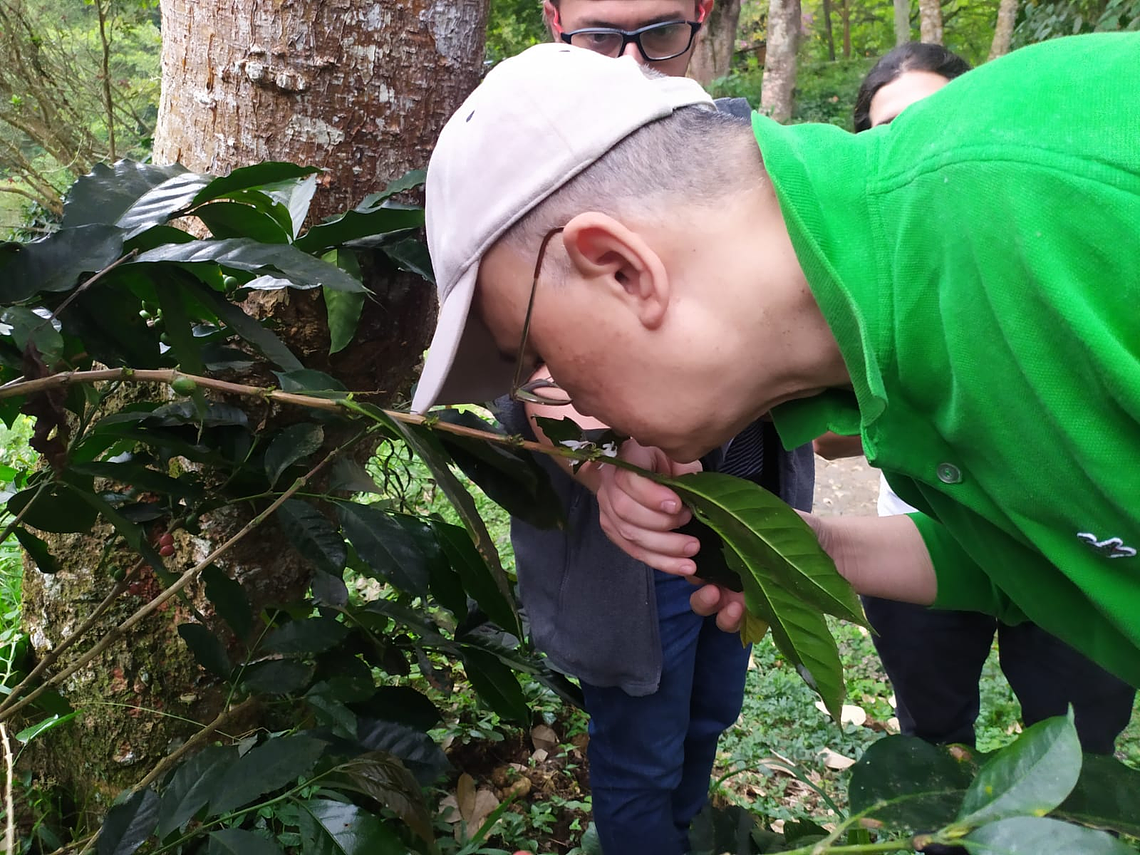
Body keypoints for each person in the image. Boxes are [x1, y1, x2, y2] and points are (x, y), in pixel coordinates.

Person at [410, 33, 1140, 690]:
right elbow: (1059, 555)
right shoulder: (878, 342)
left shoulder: (1069, 192)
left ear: (623, 270)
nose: (560, 392)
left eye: (537, 352)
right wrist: (805, 549)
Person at [494, 4, 815, 853]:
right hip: (630, 544)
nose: (629, 63)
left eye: (660, 34)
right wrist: (602, 463)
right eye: (599, 37)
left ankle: (689, 830)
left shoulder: (747, 145)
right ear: (553, 18)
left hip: (741, 513)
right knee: (639, 745)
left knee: (712, 708)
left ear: (703, 17)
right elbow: (523, 371)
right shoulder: (525, 164)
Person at [827, 43, 1135, 753]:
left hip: (1072, 543)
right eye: (891, 132)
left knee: (1077, 745)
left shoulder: (1046, 248)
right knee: (933, 738)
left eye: (937, 121)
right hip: (921, 536)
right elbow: (831, 436)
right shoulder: (862, 288)